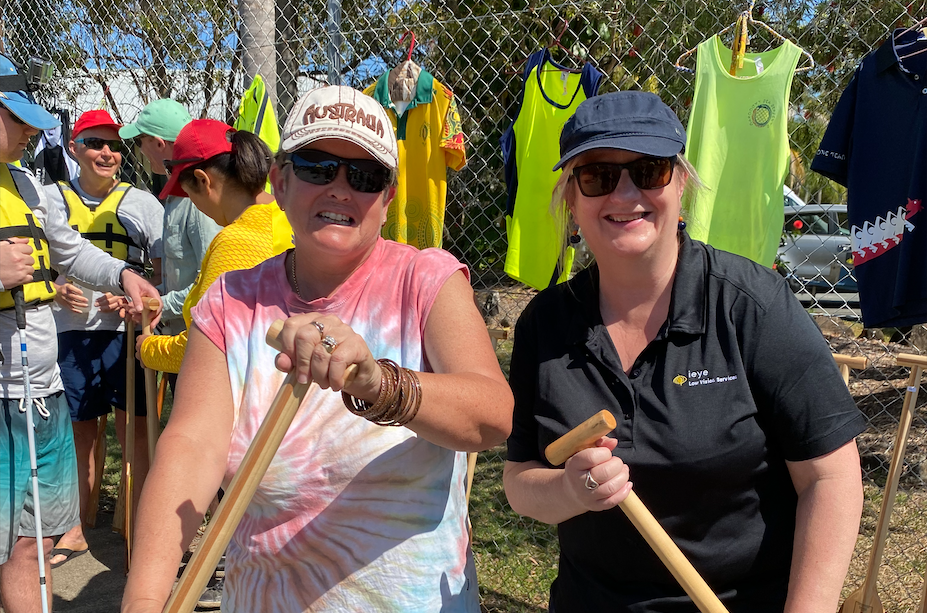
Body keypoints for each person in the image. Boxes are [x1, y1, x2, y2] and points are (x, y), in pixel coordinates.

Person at [122, 85, 513, 613]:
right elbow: (192, 443)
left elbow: (492, 417)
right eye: (317, 167)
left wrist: (381, 384)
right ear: (280, 183)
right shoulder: (231, 300)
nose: (341, 188)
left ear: (387, 197)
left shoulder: (426, 280)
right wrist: (145, 597)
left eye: (365, 176)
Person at [502, 91, 866, 613]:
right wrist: (570, 493)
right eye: (599, 176)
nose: (625, 194)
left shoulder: (751, 305)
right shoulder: (546, 324)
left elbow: (830, 476)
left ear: (681, 184)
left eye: (649, 171)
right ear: (572, 199)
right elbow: (519, 480)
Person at [0, 53, 161, 613]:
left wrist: (124, 274)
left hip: (41, 390)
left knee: (34, 541)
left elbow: (69, 249)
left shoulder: (28, 186)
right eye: (15, 119)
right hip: (3, 394)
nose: (27, 133)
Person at [42, 109, 164, 568]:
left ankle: (140, 524)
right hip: (67, 333)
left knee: (133, 429)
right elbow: (40, 261)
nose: (107, 152)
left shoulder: (142, 204)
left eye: (113, 145)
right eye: (95, 143)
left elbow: (164, 272)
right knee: (80, 432)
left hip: (125, 333)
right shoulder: (49, 198)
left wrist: (138, 301)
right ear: (74, 148)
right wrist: (54, 286)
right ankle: (77, 527)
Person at [137, 118, 292, 374]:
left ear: (202, 180)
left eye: (189, 194)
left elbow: (205, 346)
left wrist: (149, 349)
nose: (196, 205)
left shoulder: (236, 242)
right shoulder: (286, 216)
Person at [119, 99, 220, 342]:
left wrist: (158, 304)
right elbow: (180, 280)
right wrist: (148, 297)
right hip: (176, 336)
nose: (140, 150)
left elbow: (210, 283)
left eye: (140, 141)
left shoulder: (198, 198)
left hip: (198, 341)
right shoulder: (176, 196)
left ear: (158, 143)